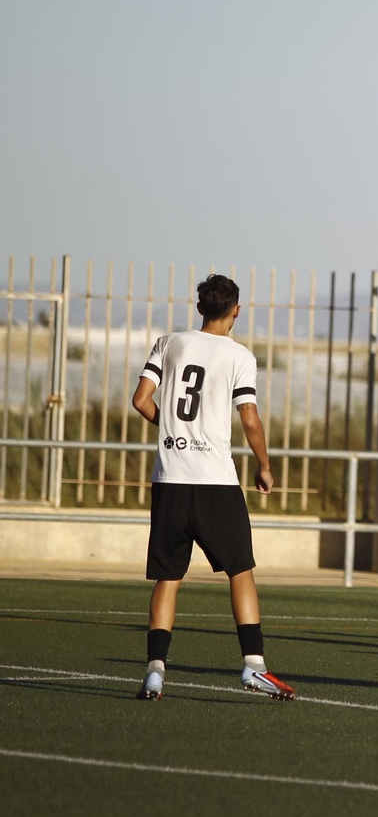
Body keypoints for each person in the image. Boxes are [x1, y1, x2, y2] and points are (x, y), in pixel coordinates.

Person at [129, 273, 294, 702]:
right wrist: (264, 465)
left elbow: (141, 400)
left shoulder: (168, 343)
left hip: (169, 480)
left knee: (167, 577)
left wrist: (171, 428)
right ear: (236, 310)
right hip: (215, 480)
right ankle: (254, 667)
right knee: (241, 571)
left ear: (200, 307)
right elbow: (250, 418)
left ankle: (155, 673)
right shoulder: (239, 356)